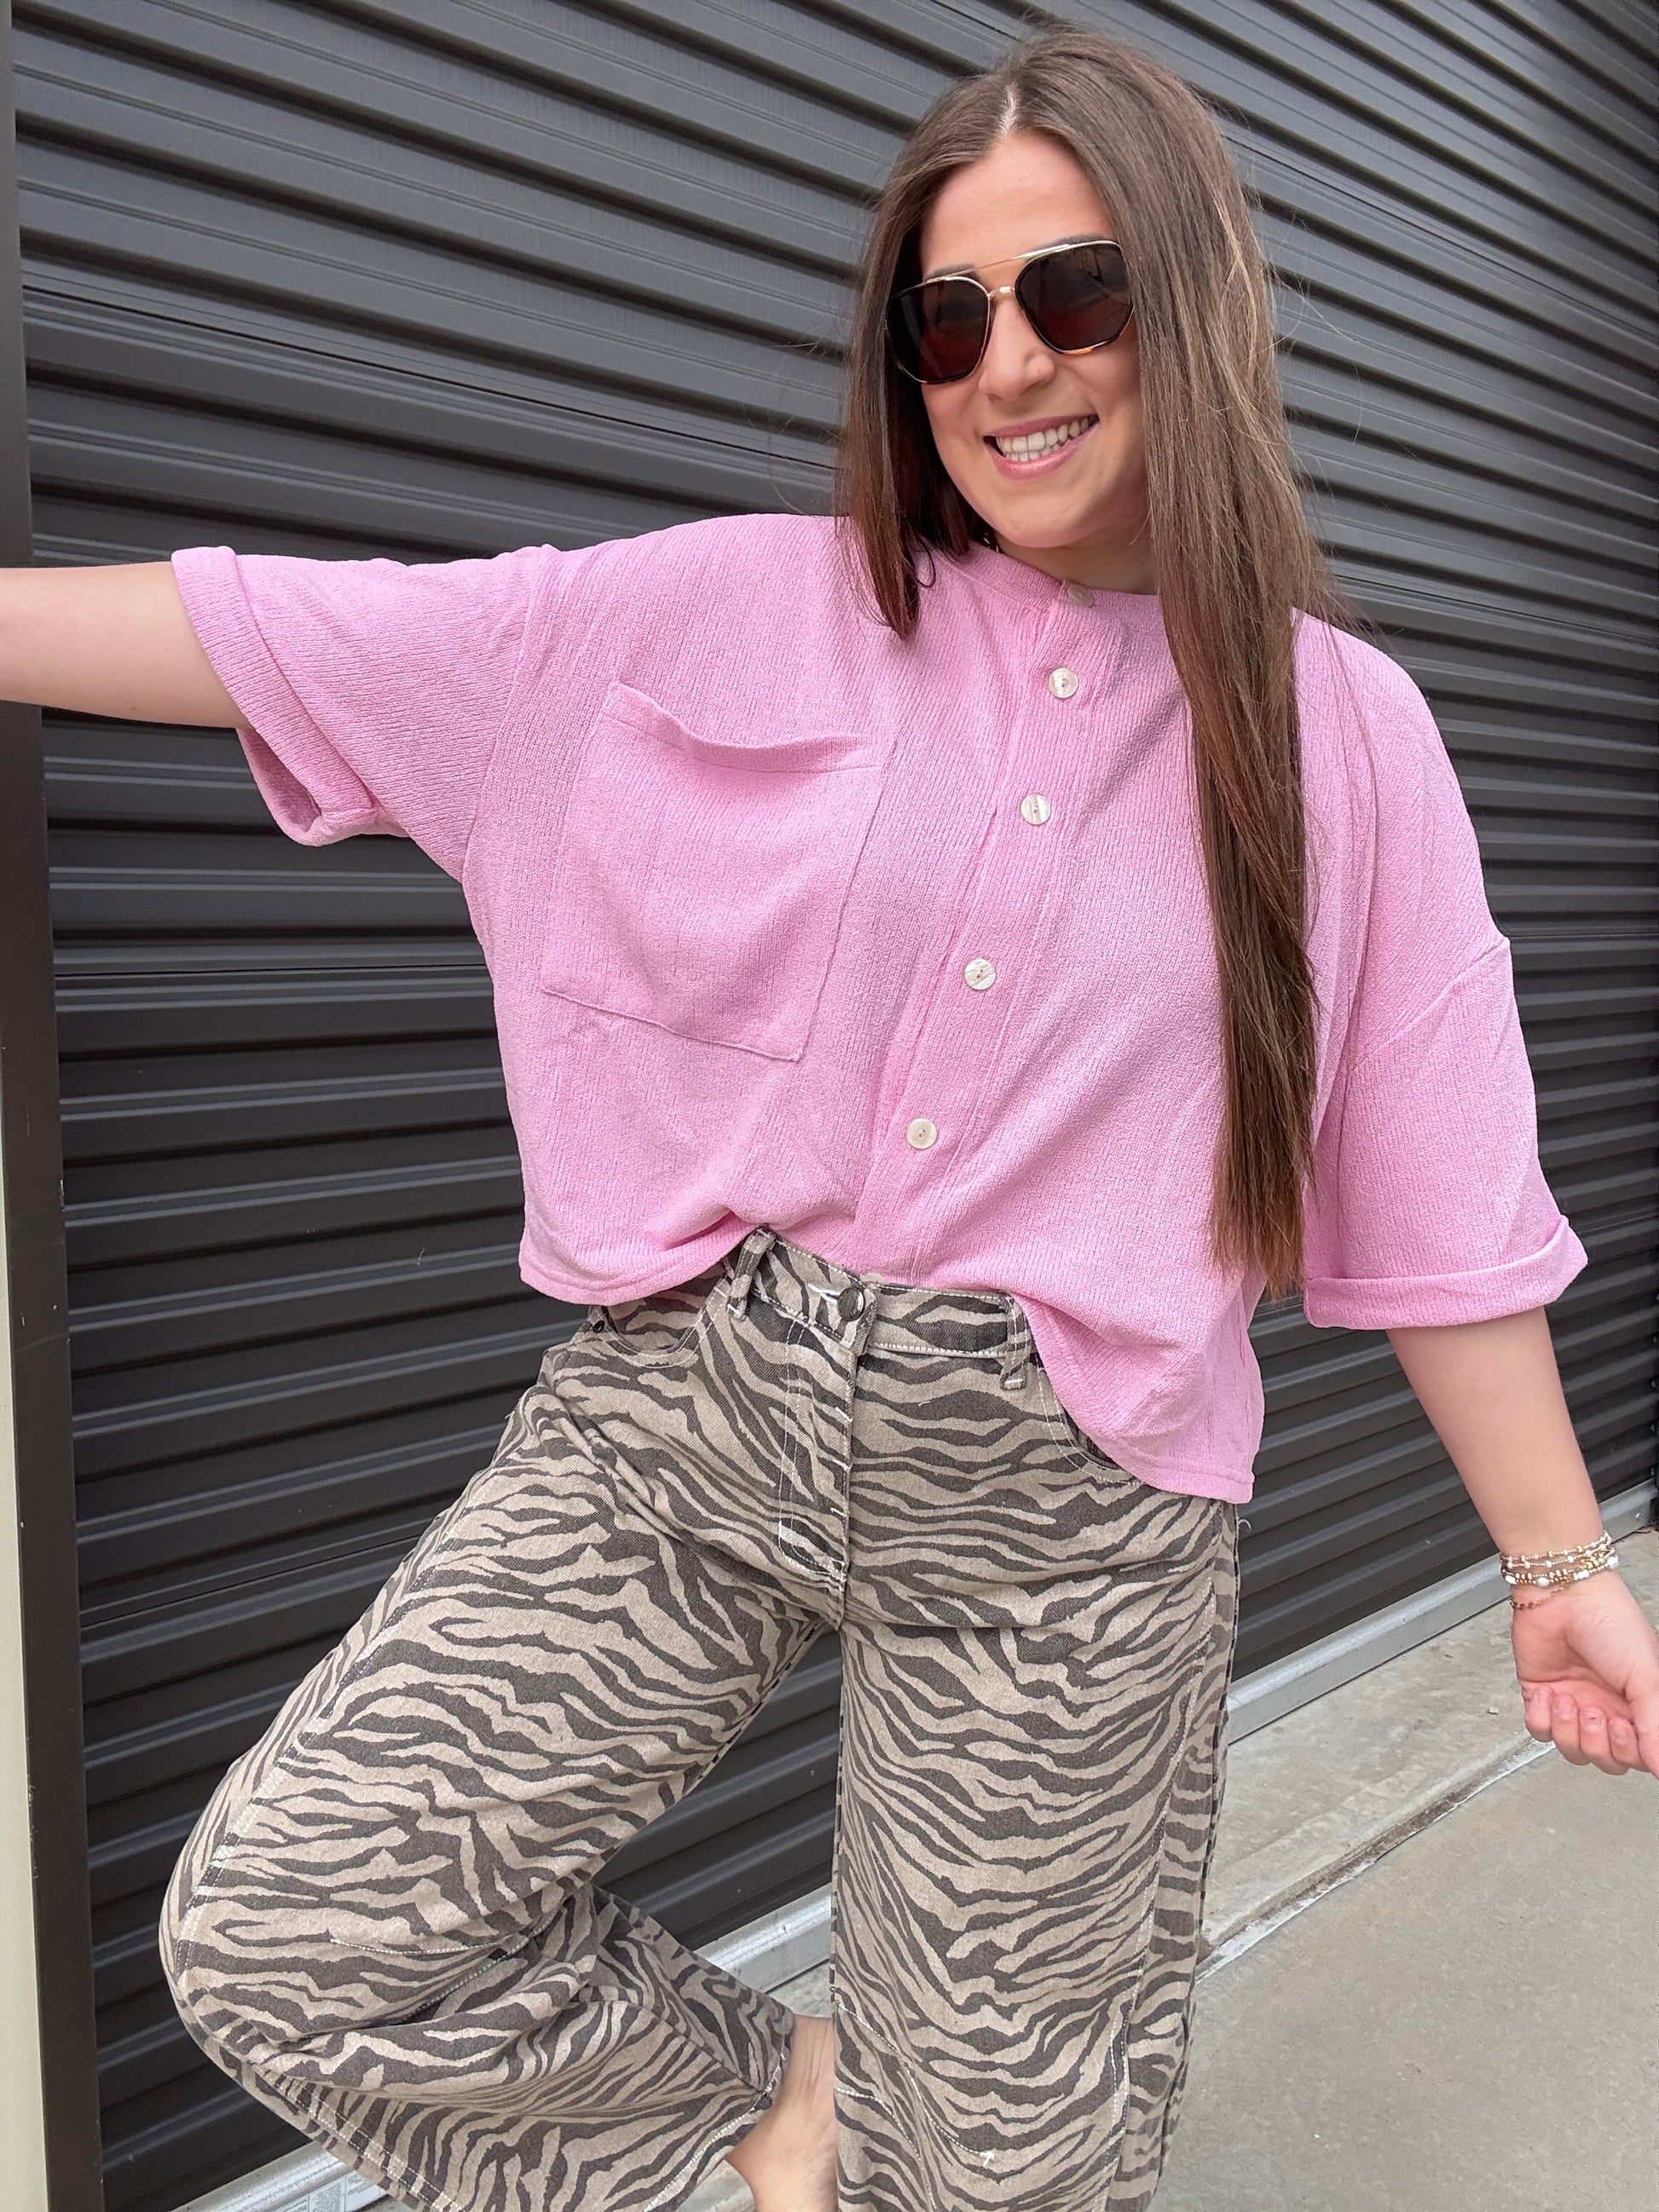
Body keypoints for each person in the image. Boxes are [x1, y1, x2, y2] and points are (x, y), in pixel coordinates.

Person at [5, 25, 1656, 2212]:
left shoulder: (1341, 731)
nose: (1007, 363)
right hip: (687, 1423)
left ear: (1197, 303)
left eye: (1073, 292)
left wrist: (1559, 1568)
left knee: (1001, 2170)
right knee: (298, 1925)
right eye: (943, 318)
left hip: (1070, 1519)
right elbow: (287, 633)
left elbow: (1445, 1188)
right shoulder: (732, 605)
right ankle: (779, 2098)